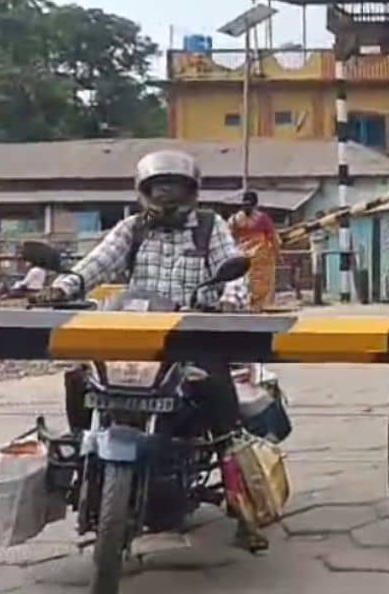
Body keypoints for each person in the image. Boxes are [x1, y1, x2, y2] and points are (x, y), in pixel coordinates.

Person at [35, 150, 265, 551]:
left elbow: (232, 269)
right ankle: (85, 454)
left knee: (219, 400)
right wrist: (61, 289)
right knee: (79, 378)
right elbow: (96, 264)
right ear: (144, 191)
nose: (166, 195)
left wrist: (230, 300)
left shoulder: (209, 226)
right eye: (159, 187)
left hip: (192, 334)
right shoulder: (131, 228)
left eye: (174, 186)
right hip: (133, 334)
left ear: (191, 190)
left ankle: (244, 506)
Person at [229, 191, 281, 311]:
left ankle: (245, 304)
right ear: (256, 205)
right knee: (261, 283)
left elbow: (230, 238)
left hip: (241, 255)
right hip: (260, 258)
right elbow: (273, 238)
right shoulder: (262, 218)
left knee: (243, 282)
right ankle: (258, 306)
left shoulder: (234, 219)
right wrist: (278, 254)